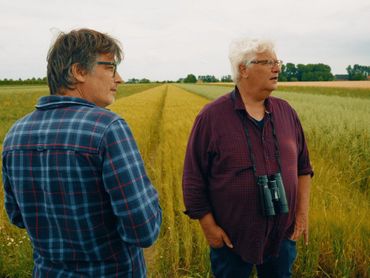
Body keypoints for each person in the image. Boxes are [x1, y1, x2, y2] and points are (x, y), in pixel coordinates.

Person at [2, 28, 162, 277]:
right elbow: (143, 230)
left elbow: (17, 217)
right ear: (78, 71)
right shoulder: (108, 128)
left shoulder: (15, 134)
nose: (119, 78)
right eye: (110, 67)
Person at [182, 38, 313, 277]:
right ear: (243, 69)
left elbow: (304, 168)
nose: (277, 68)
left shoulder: (286, 112)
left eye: (277, 61)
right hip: (231, 240)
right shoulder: (212, 117)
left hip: (282, 237)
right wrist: (209, 228)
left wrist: (302, 215)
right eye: (268, 62)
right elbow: (193, 179)